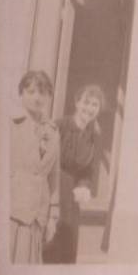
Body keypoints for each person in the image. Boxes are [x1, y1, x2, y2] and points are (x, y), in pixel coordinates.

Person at [43, 85, 105, 264]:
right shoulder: (59, 125)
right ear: (77, 103)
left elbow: (90, 169)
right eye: (86, 102)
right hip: (52, 186)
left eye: (95, 105)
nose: (89, 108)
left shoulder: (95, 134)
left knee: (68, 242)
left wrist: (84, 186)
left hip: (72, 194)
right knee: (50, 238)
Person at [10, 71, 59, 264]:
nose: (37, 97)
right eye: (31, 91)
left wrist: (53, 216)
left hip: (38, 216)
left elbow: (53, 176)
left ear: (49, 96)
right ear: (21, 94)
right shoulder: (10, 125)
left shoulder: (53, 131)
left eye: (43, 92)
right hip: (13, 213)